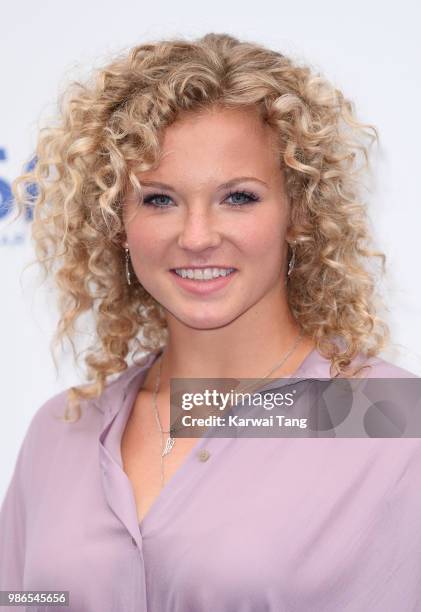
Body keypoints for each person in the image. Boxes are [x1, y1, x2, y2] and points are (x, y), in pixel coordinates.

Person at [0, 32, 420, 612]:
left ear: (299, 211)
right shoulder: (63, 432)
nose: (197, 236)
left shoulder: (392, 419)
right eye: (159, 200)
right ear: (116, 222)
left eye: (239, 197)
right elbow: (26, 600)